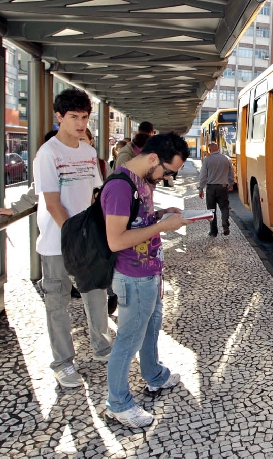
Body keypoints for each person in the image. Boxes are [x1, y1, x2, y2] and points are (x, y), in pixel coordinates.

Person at [100, 132, 191, 428]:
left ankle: (154, 375)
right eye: (167, 171)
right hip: (132, 277)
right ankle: (118, 403)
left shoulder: (143, 182)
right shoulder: (119, 186)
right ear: (153, 158)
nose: (168, 177)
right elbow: (116, 240)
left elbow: (139, 221)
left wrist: (162, 214)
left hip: (150, 272)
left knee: (151, 329)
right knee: (128, 340)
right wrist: (162, 227)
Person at [34, 89, 113, 388]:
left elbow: (94, 195)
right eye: (73, 117)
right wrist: (74, 238)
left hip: (87, 240)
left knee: (96, 295)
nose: (80, 124)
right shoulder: (48, 153)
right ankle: (63, 363)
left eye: (84, 117)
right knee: (57, 303)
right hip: (58, 242)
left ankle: (103, 347)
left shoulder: (88, 152)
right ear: (59, 117)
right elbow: (53, 203)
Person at [198, 142, 234, 237]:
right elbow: (231, 173)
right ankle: (225, 225)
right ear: (218, 148)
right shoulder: (227, 159)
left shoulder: (207, 160)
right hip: (223, 187)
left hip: (211, 188)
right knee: (224, 207)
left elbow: (203, 176)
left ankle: (213, 231)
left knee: (211, 210)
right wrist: (231, 183)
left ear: (210, 150)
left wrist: (201, 188)